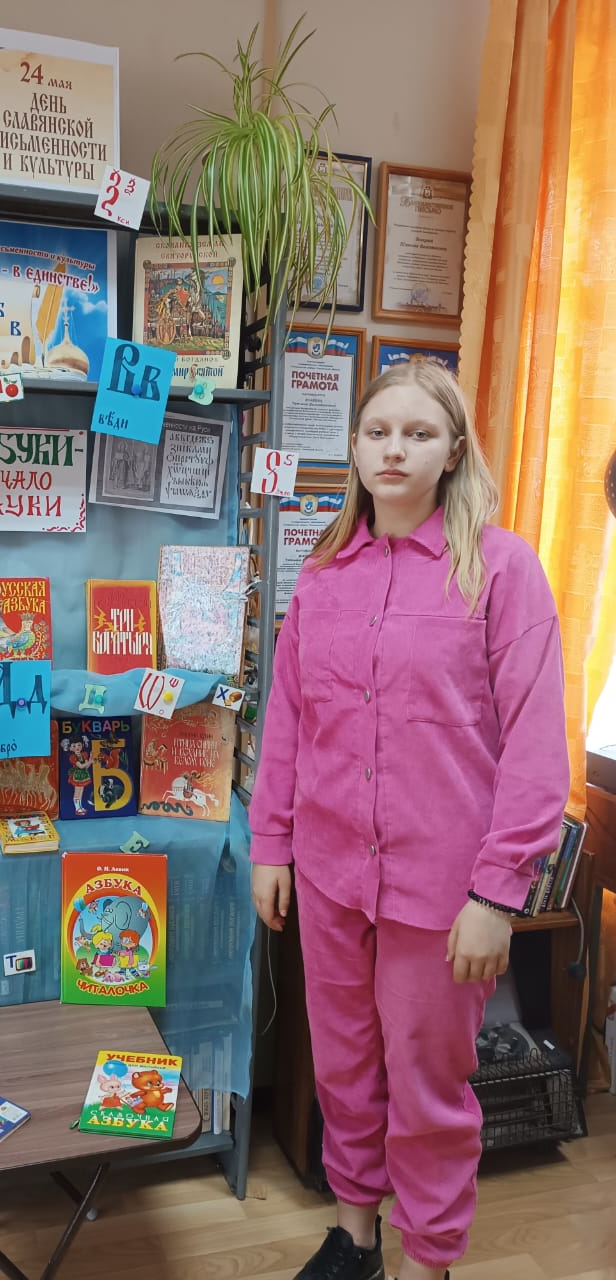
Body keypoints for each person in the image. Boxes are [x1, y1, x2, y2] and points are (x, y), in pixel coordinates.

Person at [249, 362, 569, 1280]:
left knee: (429, 1089)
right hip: (329, 875)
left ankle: (428, 1262)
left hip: (444, 890)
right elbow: (290, 720)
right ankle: (355, 1241)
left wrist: (497, 896)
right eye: (378, 431)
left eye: (419, 434)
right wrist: (272, 843)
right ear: (354, 447)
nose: (394, 450)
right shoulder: (322, 575)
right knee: (345, 1071)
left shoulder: (501, 569)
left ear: (454, 450)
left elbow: (535, 747)